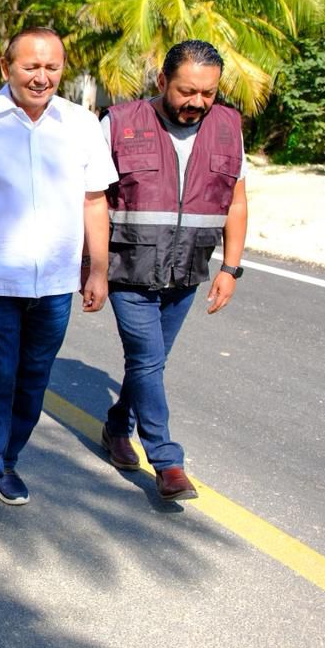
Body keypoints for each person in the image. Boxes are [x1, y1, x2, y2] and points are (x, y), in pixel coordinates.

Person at [0, 27, 117, 523]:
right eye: (31, 66)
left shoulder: (82, 124)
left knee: (33, 380)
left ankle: (8, 462)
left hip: (56, 284)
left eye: (52, 67)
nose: (42, 77)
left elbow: (95, 201)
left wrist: (98, 269)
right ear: (6, 68)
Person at [99, 39, 248, 501]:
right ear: (162, 80)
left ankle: (116, 427)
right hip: (129, 268)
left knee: (151, 362)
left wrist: (231, 268)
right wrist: (93, 267)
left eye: (208, 93)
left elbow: (236, 202)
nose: (197, 102)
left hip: (187, 271)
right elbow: (92, 201)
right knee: (147, 360)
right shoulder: (119, 122)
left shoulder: (229, 127)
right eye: (187, 91)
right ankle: (167, 461)